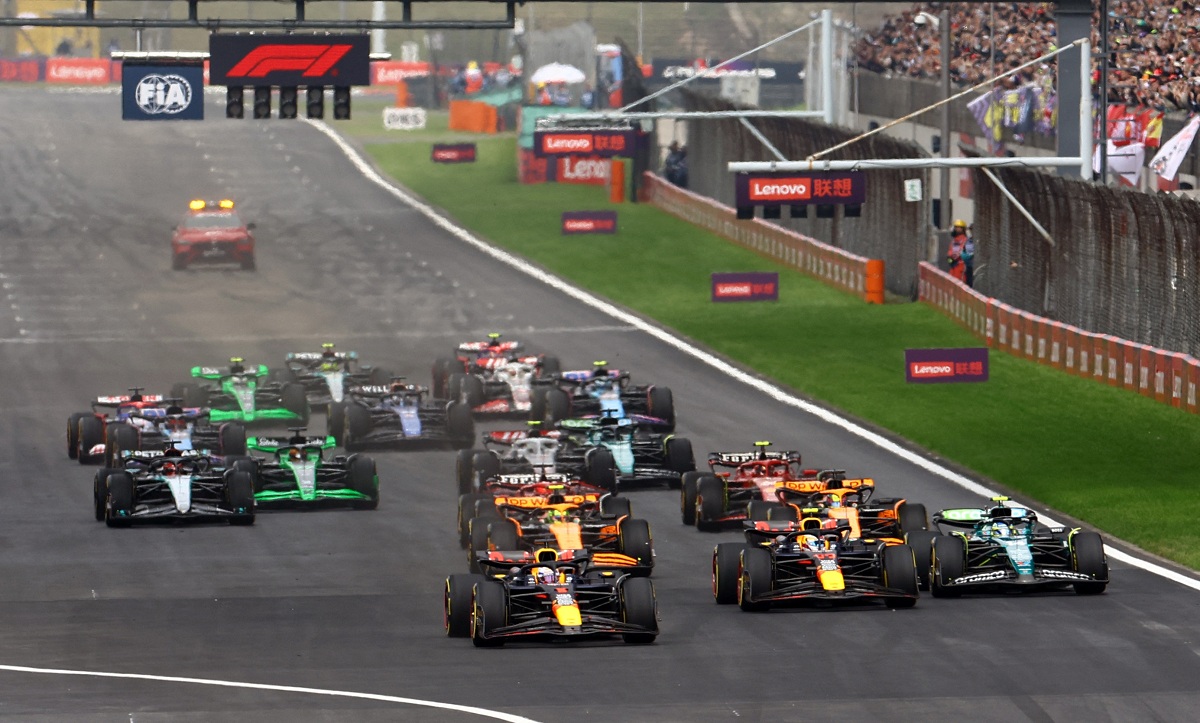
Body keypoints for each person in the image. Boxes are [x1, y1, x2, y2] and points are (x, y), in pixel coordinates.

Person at [947, 219, 969, 284]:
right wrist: (950, 259)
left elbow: (961, 250)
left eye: (959, 228)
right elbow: (950, 251)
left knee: (959, 282)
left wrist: (954, 258)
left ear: (963, 229)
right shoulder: (954, 240)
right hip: (953, 265)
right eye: (956, 227)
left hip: (960, 264)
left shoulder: (965, 240)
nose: (957, 229)